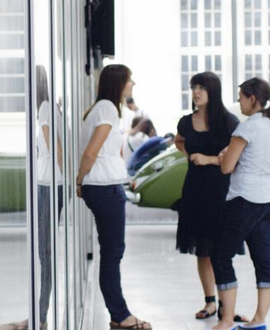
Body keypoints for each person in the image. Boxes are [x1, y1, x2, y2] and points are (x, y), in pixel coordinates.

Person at [76, 64, 153, 330]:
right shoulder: (107, 109)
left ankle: (119, 314)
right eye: (130, 81)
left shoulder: (100, 109)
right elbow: (91, 152)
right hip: (104, 187)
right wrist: (79, 178)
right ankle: (120, 316)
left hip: (103, 185)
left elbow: (102, 152)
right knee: (112, 253)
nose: (132, 85)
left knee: (111, 252)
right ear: (119, 83)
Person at [171, 71, 248, 323]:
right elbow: (179, 140)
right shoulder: (185, 122)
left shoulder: (228, 122)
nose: (195, 92)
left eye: (201, 88)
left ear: (212, 91)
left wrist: (209, 159)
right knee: (202, 249)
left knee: (221, 249)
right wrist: (189, 153)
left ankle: (228, 305)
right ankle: (210, 302)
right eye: (193, 87)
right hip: (194, 190)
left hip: (222, 190)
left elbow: (238, 157)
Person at [210, 78, 270, 330]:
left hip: (245, 199)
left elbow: (227, 166)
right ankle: (259, 321)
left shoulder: (247, 127)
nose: (239, 102)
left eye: (241, 97)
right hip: (269, 199)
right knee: (263, 259)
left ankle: (227, 320)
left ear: (253, 99)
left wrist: (223, 157)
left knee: (220, 256)